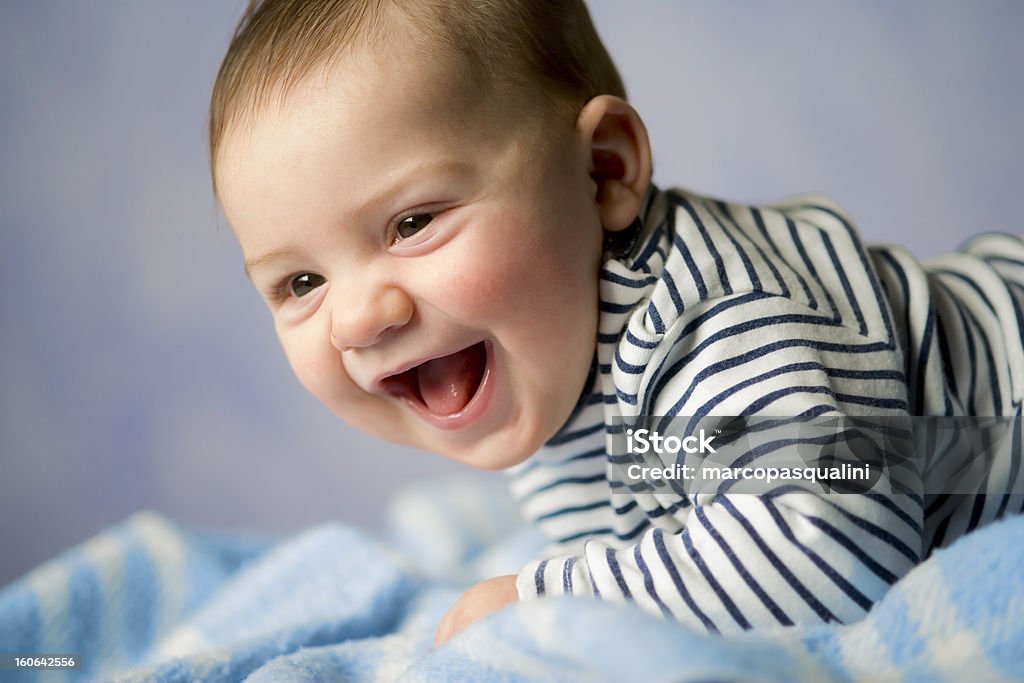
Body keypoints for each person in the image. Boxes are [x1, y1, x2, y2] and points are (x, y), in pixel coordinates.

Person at [208, 0, 1024, 645]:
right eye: (301, 281)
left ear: (604, 170)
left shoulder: (705, 317)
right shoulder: (549, 364)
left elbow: (834, 537)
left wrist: (543, 600)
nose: (357, 318)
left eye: (413, 222)